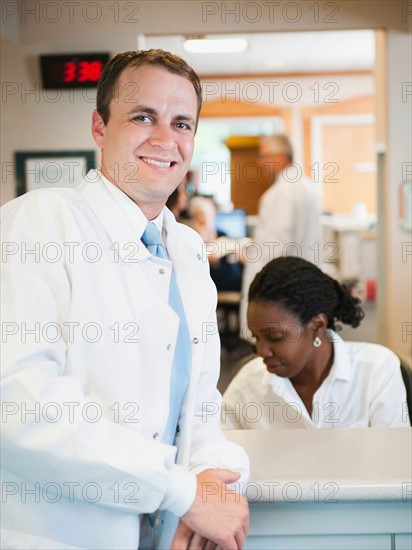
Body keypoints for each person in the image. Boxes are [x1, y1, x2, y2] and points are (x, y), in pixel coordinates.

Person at [1, 50, 249, 550]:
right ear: (99, 126)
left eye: (182, 123)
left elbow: (200, 409)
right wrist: (180, 491)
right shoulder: (37, 224)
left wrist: (212, 485)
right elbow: (22, 406)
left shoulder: (186, 251)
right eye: (142, 117)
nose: (165, 140)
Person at [222, 257, 407, 430]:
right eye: (256, 337)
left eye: (275, 337)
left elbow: (393, 458)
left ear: (317, 326)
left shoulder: (375, 371)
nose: (262, 351)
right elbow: (216, 453)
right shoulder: (248, 383)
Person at [239, 134, 323, 337]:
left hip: (279, 295)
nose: (260, 163)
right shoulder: (307, 187)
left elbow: (273, 250)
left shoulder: (280, 193)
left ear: (281, 157)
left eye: (265, 156)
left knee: (275, 352)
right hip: (303, 286)